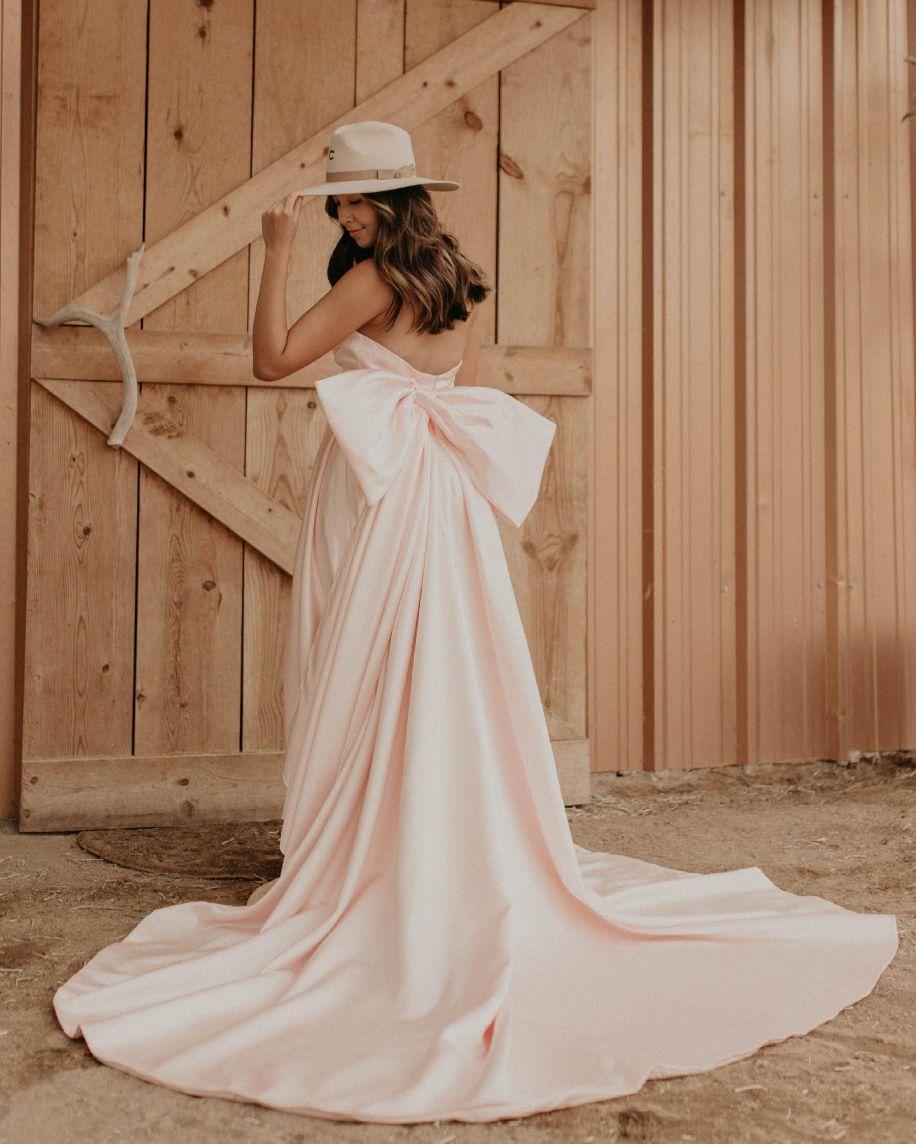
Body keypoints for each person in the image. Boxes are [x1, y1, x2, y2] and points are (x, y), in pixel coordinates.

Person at [52, 121, 899, 1126]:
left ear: (390, 201)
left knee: (362, 666)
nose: (341, 215)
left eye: (353, 201)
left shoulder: (373, 280)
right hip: (440, 495)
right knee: (438, 664)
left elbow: (274, 361)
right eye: (338, 202)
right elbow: (459, 386)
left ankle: (379, 854)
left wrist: (274, 254)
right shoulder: (452, 273)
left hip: (382, 496)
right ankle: (427, 839)